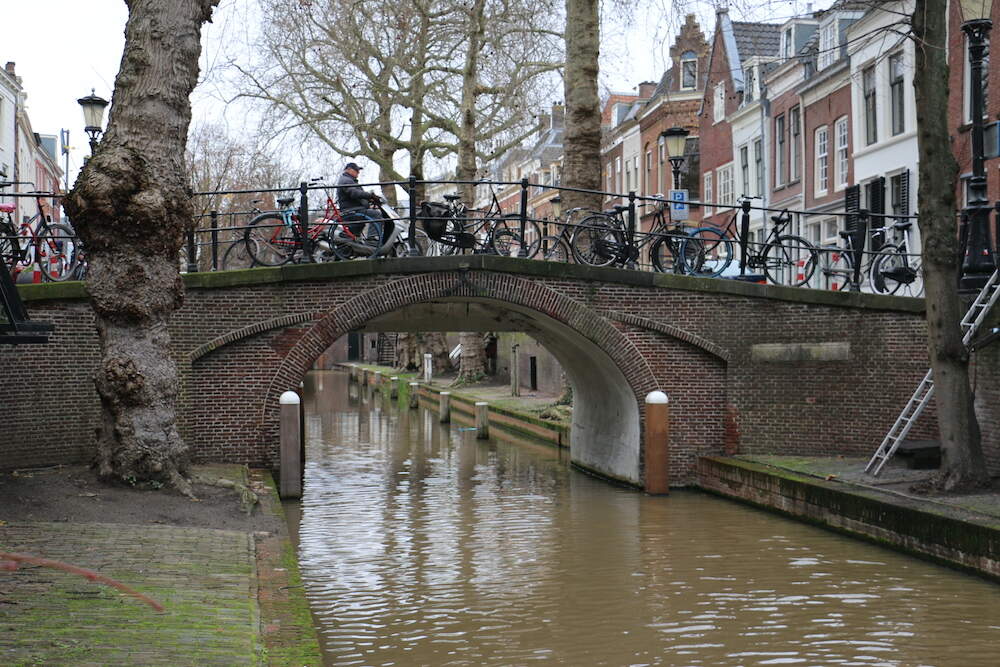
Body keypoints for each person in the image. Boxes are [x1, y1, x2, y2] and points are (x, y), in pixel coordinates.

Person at [336, 162, 382, 245]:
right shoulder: (346, 180)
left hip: (354, 209)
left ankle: (347, 242)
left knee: (357, 227)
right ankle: (373, 240)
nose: (358, 172)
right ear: (349, 170)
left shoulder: (349, 180)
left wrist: (370, 200)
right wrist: (370, 196)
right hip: (353, 211)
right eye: (356, 170)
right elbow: (354, 193)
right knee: (376, 215)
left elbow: (358, 195)